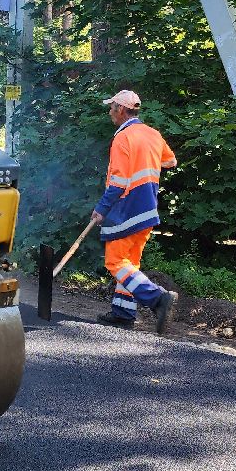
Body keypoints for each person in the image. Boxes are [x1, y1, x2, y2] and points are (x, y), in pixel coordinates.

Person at [89, 89, 179, 333]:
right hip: (147, 207)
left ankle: (158, 299)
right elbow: (171, 162)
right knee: (130, 264)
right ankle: (123, 312)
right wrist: (146, 160)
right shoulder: (152, 134)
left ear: (120, 109)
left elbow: (118, 183)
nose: (109, 113)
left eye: (111, 108)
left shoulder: (122, 138)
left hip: (127, 208)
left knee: (115, 261)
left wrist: (101, 209)